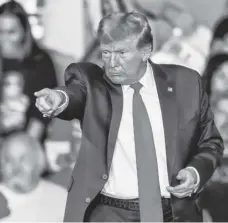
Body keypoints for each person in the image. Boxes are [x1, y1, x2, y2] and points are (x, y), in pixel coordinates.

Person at [35, 12, 224, 222]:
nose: (112, 63)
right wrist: (60, 99)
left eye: (122, 53)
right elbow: (76, 93)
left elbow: (210, 143)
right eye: (106, 53)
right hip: (110, 213)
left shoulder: (185, 84)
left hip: (173, 213)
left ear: (145, 51)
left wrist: (195, 172)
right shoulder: (94, 84)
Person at [0, 0, 58, 143]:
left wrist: (24, 149)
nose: (4, 39)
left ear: (24, 31)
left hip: (28, 144)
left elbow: (41, 118)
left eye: (11, 32)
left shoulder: (40, 62)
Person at [0, 132, 67, 222]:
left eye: (23, 159)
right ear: (1, 167)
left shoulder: (61, 198)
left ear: (38, 161)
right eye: (8, 160)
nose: (16, 167)